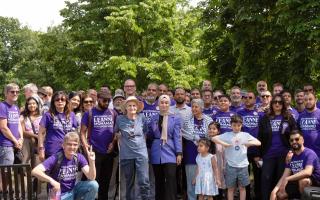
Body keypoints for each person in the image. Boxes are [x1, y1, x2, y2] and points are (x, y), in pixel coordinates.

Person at [31, 132, 98, 200]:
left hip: (72, 190)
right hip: (58, 193)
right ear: (63, 145)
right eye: (69, 144)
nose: (72, 147)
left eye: (75, 145)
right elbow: (35, 171)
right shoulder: (56, 157)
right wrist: (52, 181)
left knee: (93, 185)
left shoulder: (79, 157)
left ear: (78, 146)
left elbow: (91, 177)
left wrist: (92, 161)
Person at [257, 94, 297, 200]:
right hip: (268, 154)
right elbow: (259, 136)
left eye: (280, 102)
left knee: (281, 179)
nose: (277, 104)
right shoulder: (265, 118)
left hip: (284, 155)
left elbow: (295, 134)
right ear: (272, 104)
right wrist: (258, 155)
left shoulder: (288, 117)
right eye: (275, 102)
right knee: (266, 178)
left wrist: (292, 151)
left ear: (283, 104)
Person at [212, 115, 261, 200]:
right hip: (230, 166)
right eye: (234, 125)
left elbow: (258, 142)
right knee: (230, 188)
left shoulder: (245, 135)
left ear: (241, 125)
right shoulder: (227, 135)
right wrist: (224, 144)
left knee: (242, 188)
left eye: (238, 125)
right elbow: (213, 138)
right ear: (231, 125)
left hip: (243, 166)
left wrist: (249, 143)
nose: (236, 127)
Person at [80, 91, 116, 200]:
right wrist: (87, 148)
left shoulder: (113, 113)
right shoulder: (89, 113)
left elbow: (116, 131)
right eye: (104, 100)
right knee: (93, 181)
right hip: (94, 151)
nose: (106, 103)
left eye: (108, 101)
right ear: (98, 99)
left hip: (108, 152)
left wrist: (113, 143)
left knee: (106, 181)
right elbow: (82, 132)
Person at [115, 96, 150, 200]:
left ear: (137, 107)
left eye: (134, 105)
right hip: (126, 154)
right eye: (129, 105)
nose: (132, 107)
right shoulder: (119, 119)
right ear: (125, 107)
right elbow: (116, 132)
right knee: (129, 182)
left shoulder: (142, 117)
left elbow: (145, 133)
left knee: (144, 180)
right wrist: (118, 135)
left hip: (141, 153)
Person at [148, 95, 182, 200]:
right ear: (158, 104)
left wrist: (179, 153)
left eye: (166, 102)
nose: (164, 104)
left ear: (170, 104)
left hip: (170, 151)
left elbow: (177, 136)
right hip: (156, 151)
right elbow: (150, 135)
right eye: (162, 102)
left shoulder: (175, 118)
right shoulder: (154, 118)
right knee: (159, 181)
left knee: (171, 179)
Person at [270, 130, 320, 200]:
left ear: (302, 140)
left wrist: (288, 179)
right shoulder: (291, 157)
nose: (294, 142)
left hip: (315, 186)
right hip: (297, 184)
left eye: (297, 139)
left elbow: (307, 172)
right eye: (291, 140)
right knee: (279, 195)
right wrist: (274, 191)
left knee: (303, 181)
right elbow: (284, 176)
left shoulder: (309, 153)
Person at [181, 99, 213, 200]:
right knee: (192, 181)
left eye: (196, 107)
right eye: (192, 107)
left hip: (205, 156)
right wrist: (197, 138)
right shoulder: (187, 120)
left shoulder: (209, 120)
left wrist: (201, 140)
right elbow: (184, 133)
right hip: (191, 154)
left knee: (205, 181)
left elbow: (211, 136)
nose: (194, 109)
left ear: (201, 108)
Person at [237, 91, 264, 200]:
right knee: (244, 177)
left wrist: (260, 151)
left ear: (254, 99)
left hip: (257, 150)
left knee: (258, 176)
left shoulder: (260, 114)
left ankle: (258, 196)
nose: (247, 99)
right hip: (243, 151)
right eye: (245, 97)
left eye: (250, 97)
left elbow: (263, 133)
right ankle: (246, 197)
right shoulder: (239, 113)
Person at [38, 91, 78, 161]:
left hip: (68, 149)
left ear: (66, 102)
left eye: (62, 99)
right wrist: (41, 149)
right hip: (52, 149)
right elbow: (41, 133)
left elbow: (75, 133)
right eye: (57, 100)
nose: (60, 101)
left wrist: (75, 147)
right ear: (53, 102)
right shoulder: (48, 115)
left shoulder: (71, 115)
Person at [20, 96, 42, 168]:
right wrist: (35, 136)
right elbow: (22, 131)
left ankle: (36, 178)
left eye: (34, 103)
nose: (32, 105)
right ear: (27, 105)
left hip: (39, 142)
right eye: (29, 104)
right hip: (26, 142)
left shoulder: (42, 116)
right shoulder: (23, 116)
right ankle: (24, 178)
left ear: (37, 105)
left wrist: (40, 138)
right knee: (25, 162)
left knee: (37, 163)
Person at [297, 92, 320, 157]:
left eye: (310, 99)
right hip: (304, 153)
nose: (308, 101)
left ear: (315, 100)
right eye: (306, 100)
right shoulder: (301, 116)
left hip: (318, 152)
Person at [207, 122, 226, 200]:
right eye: (210, 129)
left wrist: (225, 167)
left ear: (218, 131)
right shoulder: (206, 142)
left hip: (219, 169)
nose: (211, 130)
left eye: (214, 129)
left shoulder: (221, 143)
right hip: (208, 170)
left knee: (219, 188)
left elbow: (225, 156)